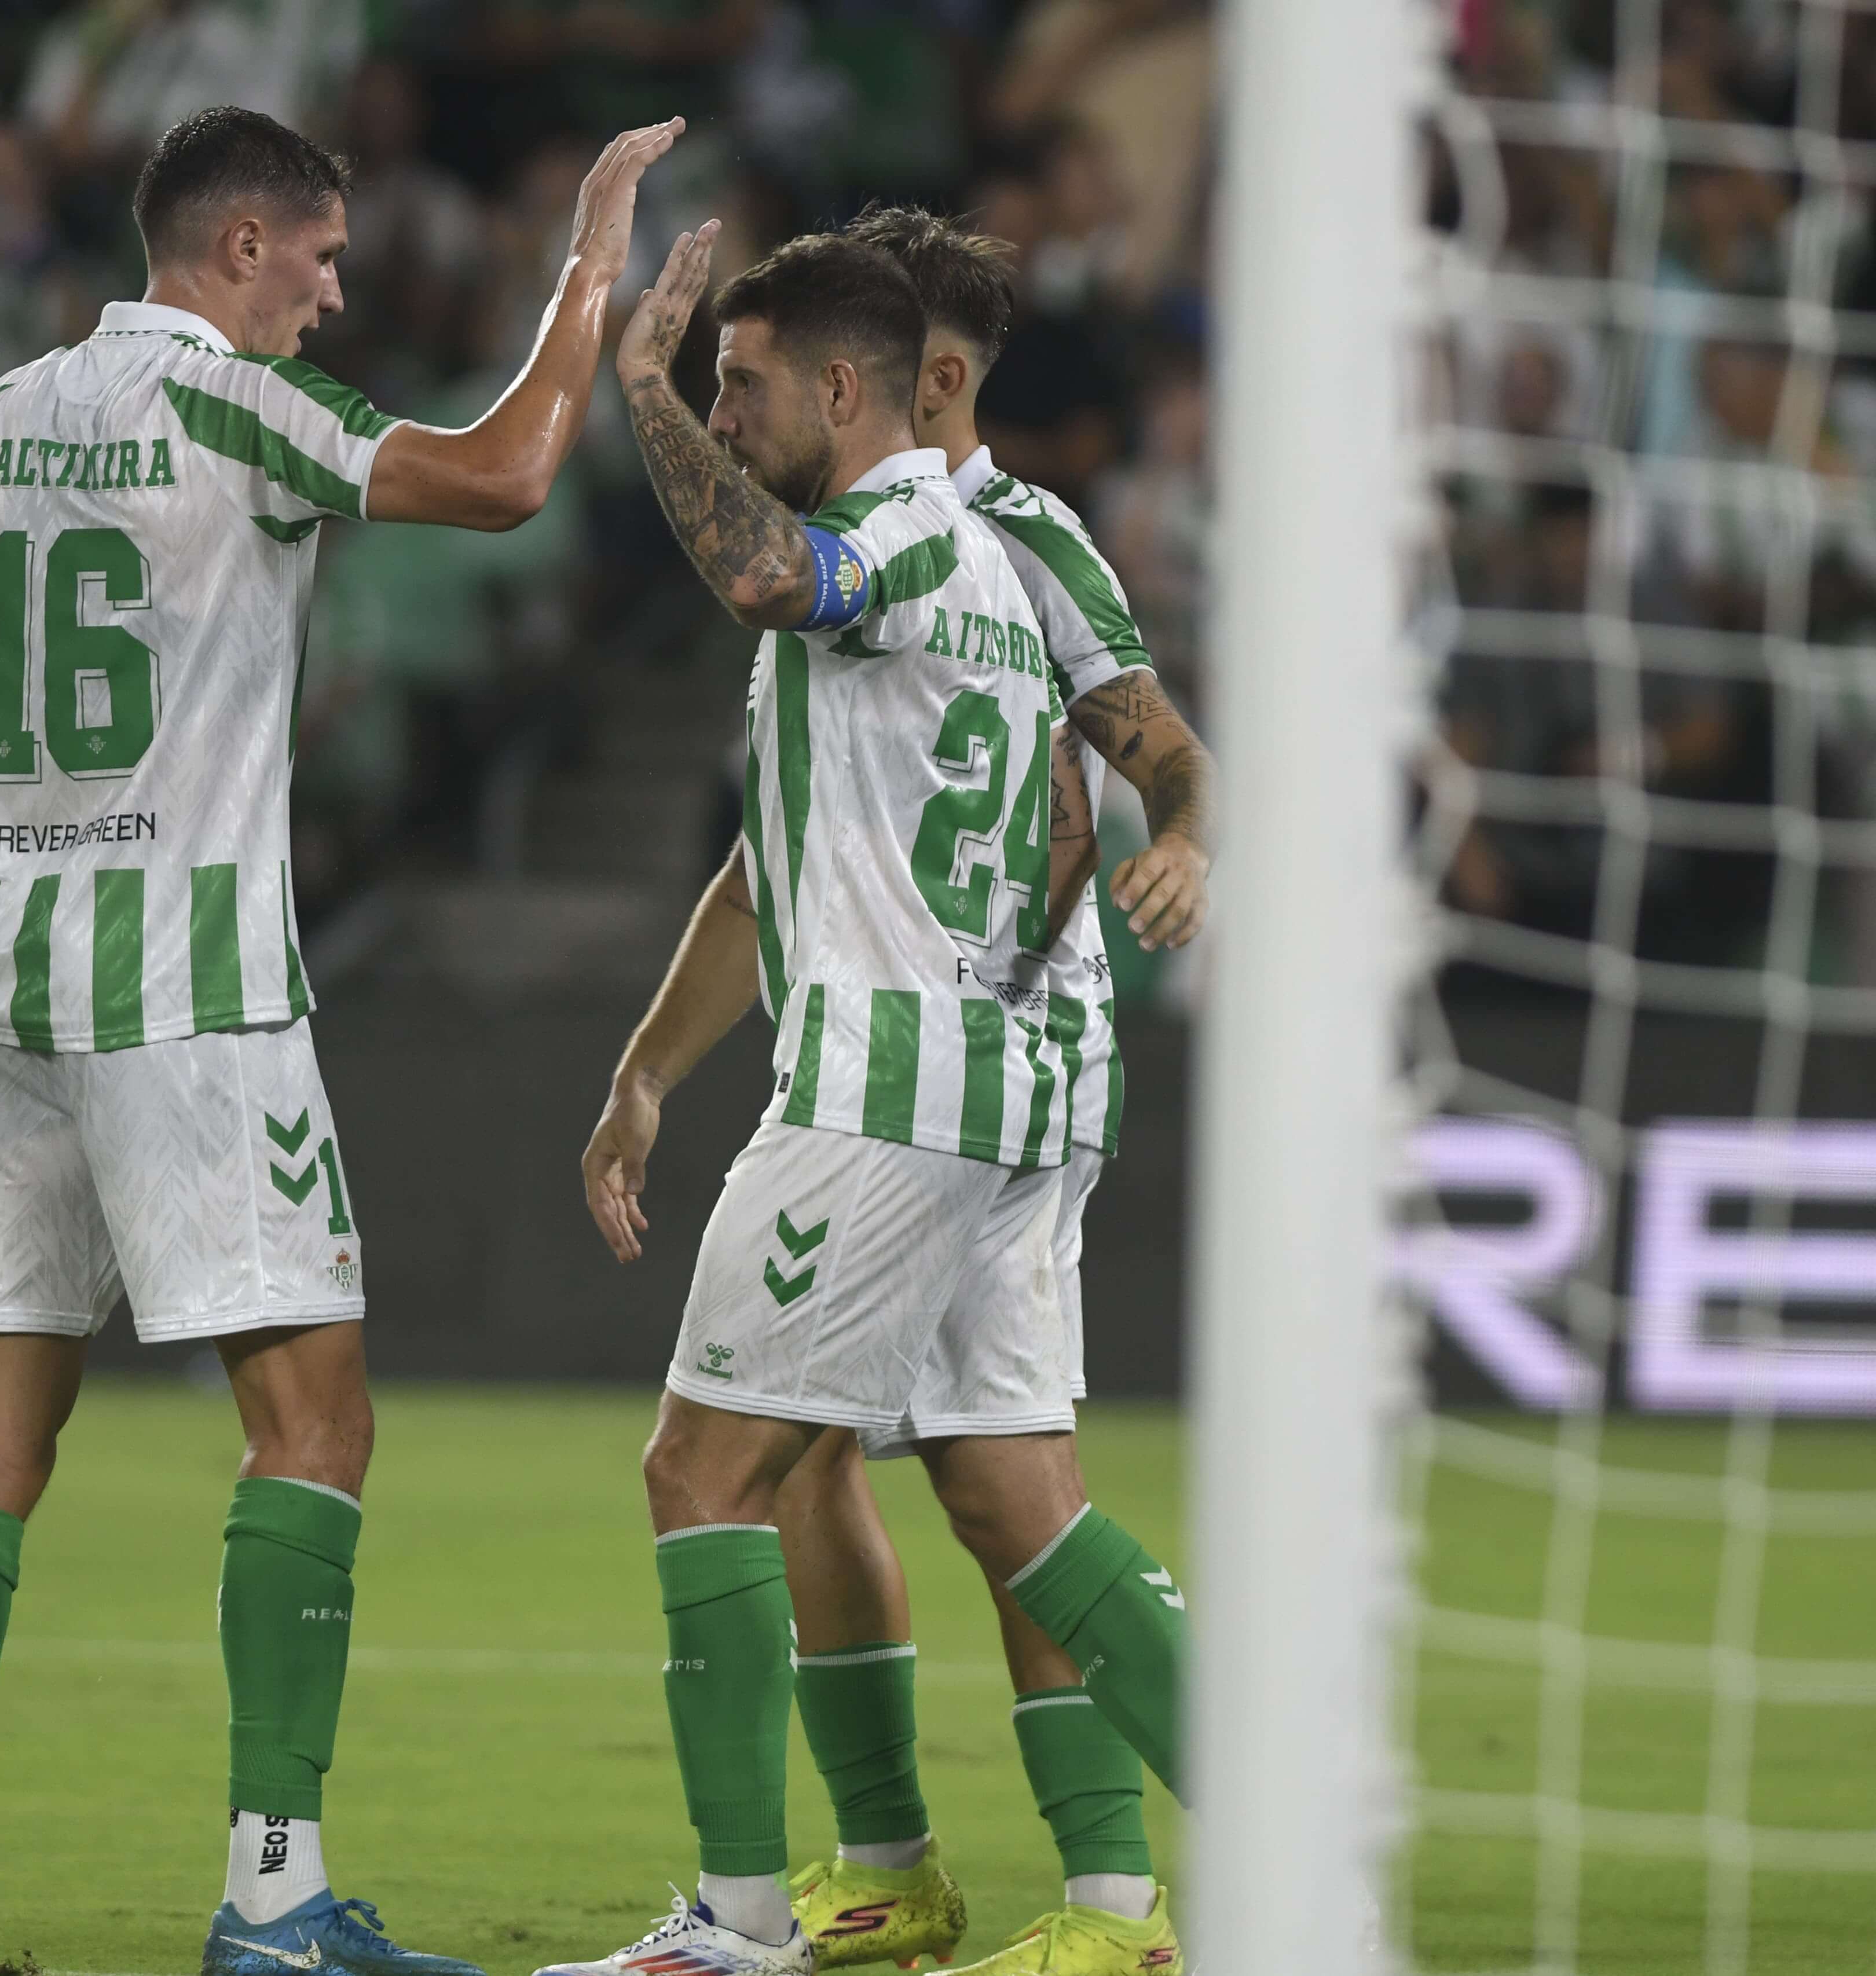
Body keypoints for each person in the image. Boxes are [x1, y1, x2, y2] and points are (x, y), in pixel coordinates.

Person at [0, 102, 684, 1976]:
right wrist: (588, 275)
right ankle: (277, 1903)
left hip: (12, 982)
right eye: (317, 258)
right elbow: (505, 472)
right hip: (191, 990)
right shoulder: (223, 406)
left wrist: (3, 848)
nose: (332, 289)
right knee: (314, 1422)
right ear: (234, 250)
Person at [542, 227, 1190, 1976]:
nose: (726, 413)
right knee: (999, 1495)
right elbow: (773, 874)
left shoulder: (910, 538)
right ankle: (1204, 1868)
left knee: (701, 1465)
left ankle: (738, 1926)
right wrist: (642, 1076)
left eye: (747, 385)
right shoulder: (959, 561)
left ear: (861, 389)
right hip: (979, 1092)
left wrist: (639, 388)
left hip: (894, 1083)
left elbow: (763, 580)